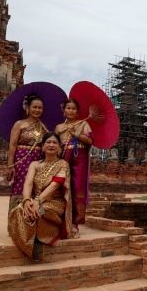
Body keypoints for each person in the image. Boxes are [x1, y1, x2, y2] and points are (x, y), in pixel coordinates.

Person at [8, 132, 73, 261]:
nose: (51, 145)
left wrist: (38, 201)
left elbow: (54, 185)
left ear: (59, 147)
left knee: (39, 212)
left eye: (55, 142)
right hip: (34, 201)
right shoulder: (35, 164)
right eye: (48, 142)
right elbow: (28, 184)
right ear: (42, 147)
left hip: (54, 203)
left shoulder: (63, 164)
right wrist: (26, 201)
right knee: (19, 211)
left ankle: (37, 243)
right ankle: (28, 247)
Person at [54, 98, 93, 236]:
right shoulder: (59, 127)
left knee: (77, 189)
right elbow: (56, 144)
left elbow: (89, 141)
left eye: (74, 109)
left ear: (77, 112)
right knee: (62, 187)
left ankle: (75, 223)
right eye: (68, 108)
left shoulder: (83, 124)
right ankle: (60, 220)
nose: (71, 111)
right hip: (64, 157)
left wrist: (76, 134)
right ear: (64, 111)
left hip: (79, 158)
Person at [6, 94, 48, 213]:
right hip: (21, 160)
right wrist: (10, 165)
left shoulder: (43, 127)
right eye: (34, 107)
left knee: (37, 188)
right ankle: (16, 220)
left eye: (40, 108)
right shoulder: (19, 124)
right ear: (27, 108)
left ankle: (34, 222)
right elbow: (12, 145)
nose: (37, 110)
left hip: (38, 161)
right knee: (20, 186)